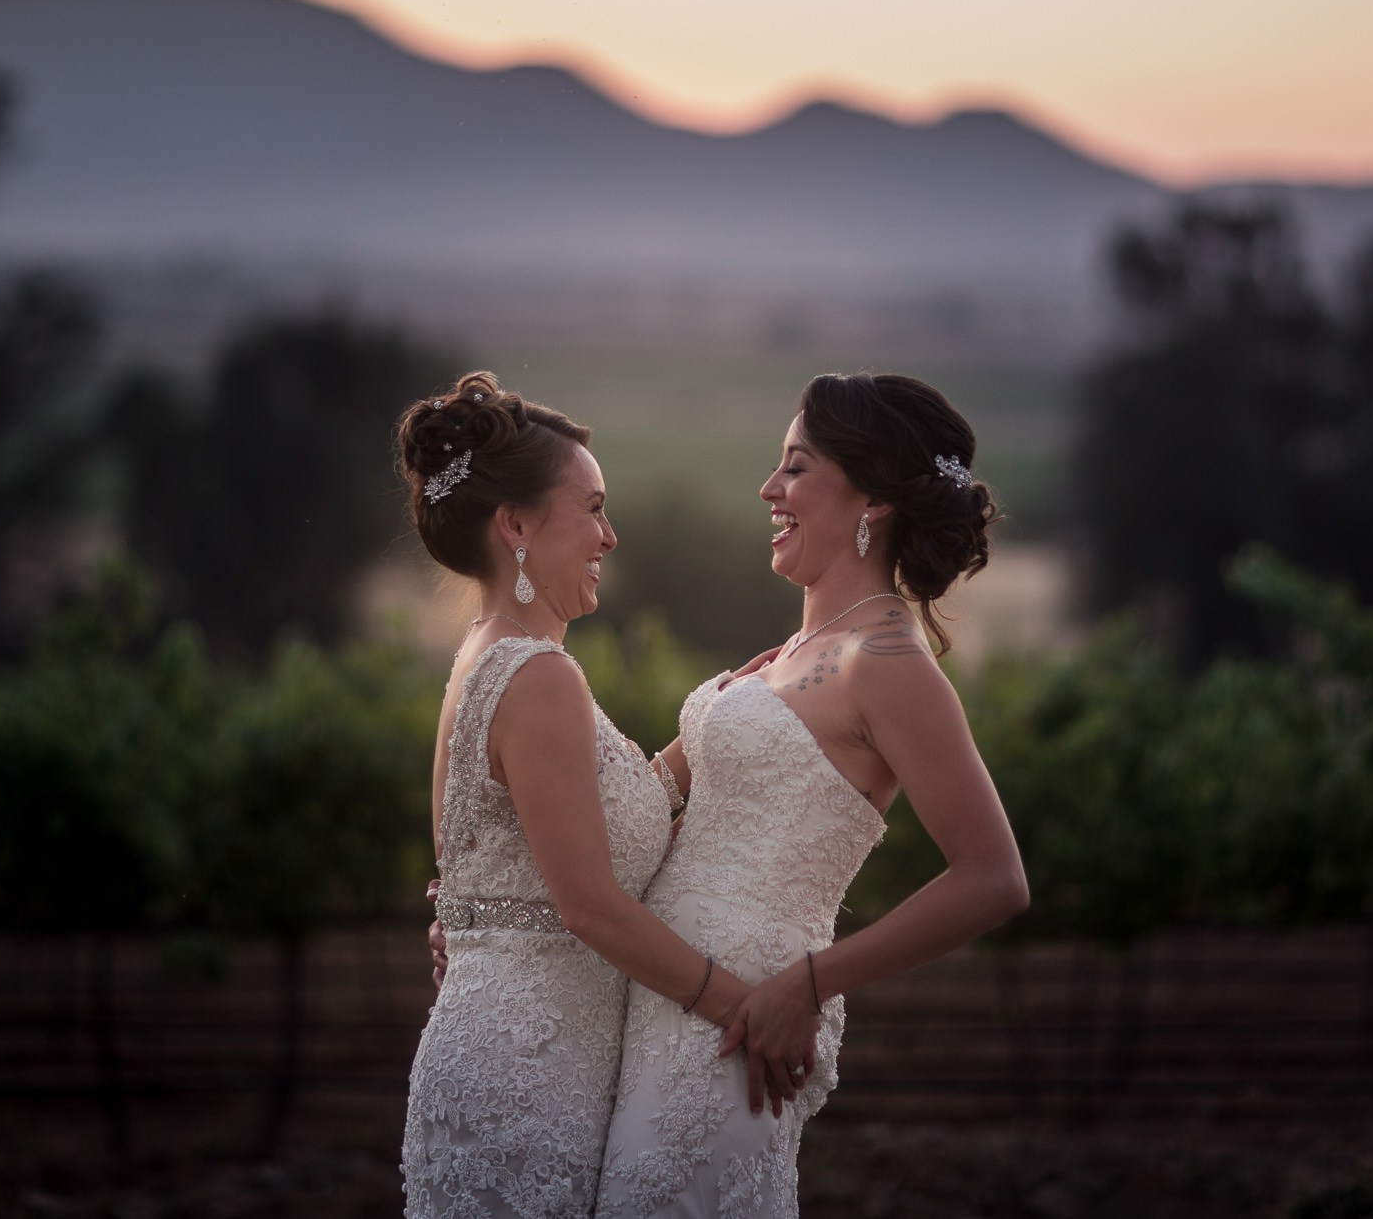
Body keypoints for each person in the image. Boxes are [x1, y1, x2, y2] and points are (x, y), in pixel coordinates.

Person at [594, 371, 1031, 1217]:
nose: (769, 488)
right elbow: (638, 800)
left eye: (796, 467)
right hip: (660, 998)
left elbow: (994, 876)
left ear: (870, 497)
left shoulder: (889, 664)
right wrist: (486, 901)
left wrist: (809, 982)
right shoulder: (795, 651)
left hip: (744, 1016)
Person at [397, 372, 759, 1219]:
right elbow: (589, 906)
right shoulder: (540, 676)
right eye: (592, 508)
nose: (611, 535)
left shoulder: (483, 657)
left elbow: (555, 844)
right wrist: (745, 1010)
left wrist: (725, 716)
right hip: (527, 1082)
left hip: (512, 1056)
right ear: (515, 524)